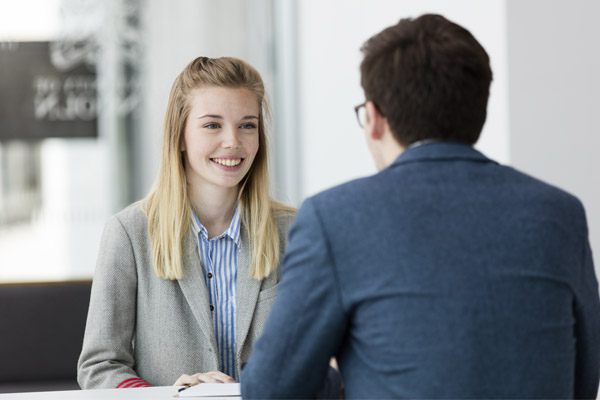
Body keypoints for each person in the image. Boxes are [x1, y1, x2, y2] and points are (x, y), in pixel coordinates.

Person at [242, 14, 600, 399]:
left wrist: (343, 375)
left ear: (374, 119)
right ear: (477, 112)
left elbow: (269, 389)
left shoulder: (335, 219)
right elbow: (583, 378)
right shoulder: (560, 214)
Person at [77, 56, 296, 388]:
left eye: (247, 125)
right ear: (179, 136)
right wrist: (169, 397)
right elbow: (100, 366)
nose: (232, 141)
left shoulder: (295, 232)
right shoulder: (129, 234)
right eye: (212, 125)